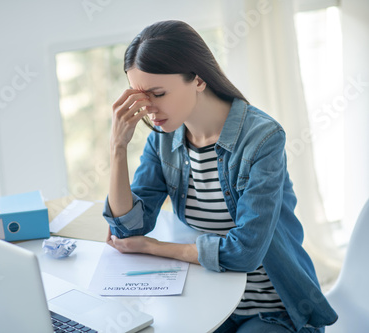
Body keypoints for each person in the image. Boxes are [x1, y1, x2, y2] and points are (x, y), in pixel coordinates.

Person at [102, 20, 338, 333]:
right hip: (206, 298)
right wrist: (118, 149)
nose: (149, 110)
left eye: (158, 93)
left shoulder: (262, 139)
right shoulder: (163, 141)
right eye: (141, 97)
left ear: (198, 79)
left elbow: (245, 252)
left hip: (273, 308)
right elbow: (128, 230)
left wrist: (153, 247)